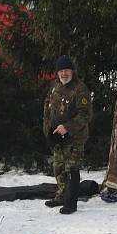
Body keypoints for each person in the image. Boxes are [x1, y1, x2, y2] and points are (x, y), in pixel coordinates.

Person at [42, 55, 92, 215]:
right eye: (61, 71)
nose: (64, 74)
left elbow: (86, 115)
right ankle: (62, 196)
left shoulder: (80, 89)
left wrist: (67, 127)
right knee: (58, 168)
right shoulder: (55, 87)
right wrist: (48, 130)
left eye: (67, 70)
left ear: (72, 71)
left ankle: (71, 203)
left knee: (72, 169)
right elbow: (47, 109)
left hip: (74, 138)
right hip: (58, 137)